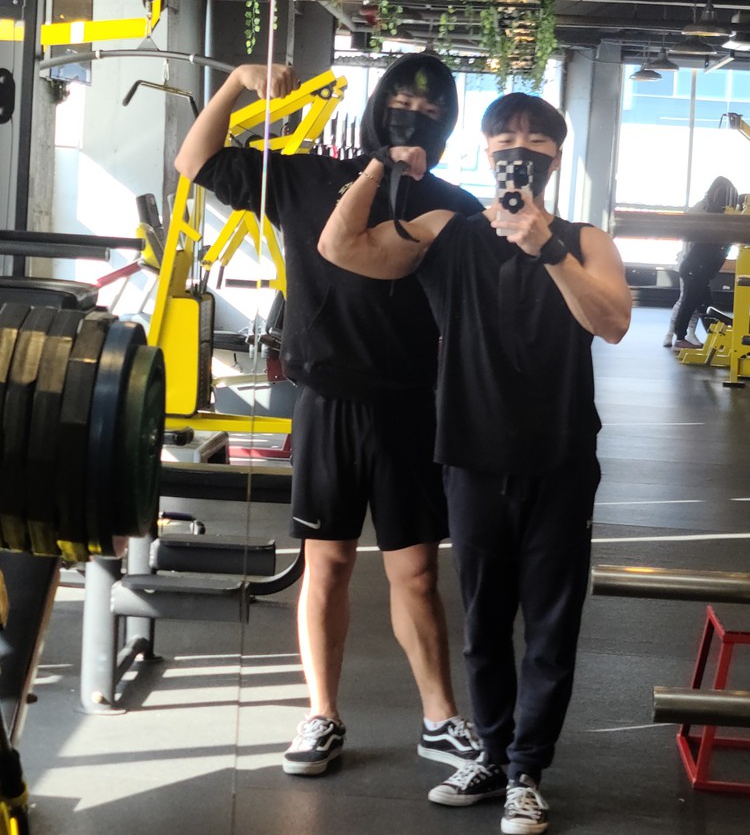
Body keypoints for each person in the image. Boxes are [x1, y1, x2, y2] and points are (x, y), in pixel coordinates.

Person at [317, 92, 632, 833]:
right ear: (486, 153)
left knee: (551, 627)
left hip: (559, 459)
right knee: (484, 624)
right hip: (471, 455)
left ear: (556, 157)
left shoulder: (586, 241)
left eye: (537, 140)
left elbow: (614, 322)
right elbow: (340, 247)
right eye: (505, 138)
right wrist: (378, 166)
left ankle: (526, 772)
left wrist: (545, 247)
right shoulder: (446, 230)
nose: (521, 149)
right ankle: (492, 754)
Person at [174, 55, 483, 779]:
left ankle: (440, 719)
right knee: (328, 564)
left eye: (431, 109)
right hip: (326, 405)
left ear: (446, 125)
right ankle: (321, 714)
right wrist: (239, 83)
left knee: (415, 574)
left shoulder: (455, 207)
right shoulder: (307, 178)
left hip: (409, 407)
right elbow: (195, 160)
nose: (413, 115)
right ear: (377, 107)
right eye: (402, 100)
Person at [667, 176, 738, 351]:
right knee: (689, 302)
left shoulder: (720, 218)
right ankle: (679, 339)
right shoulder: (709, 215)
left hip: (699, 269)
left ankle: (713, 337)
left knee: (705, 304)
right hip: (694, 267)